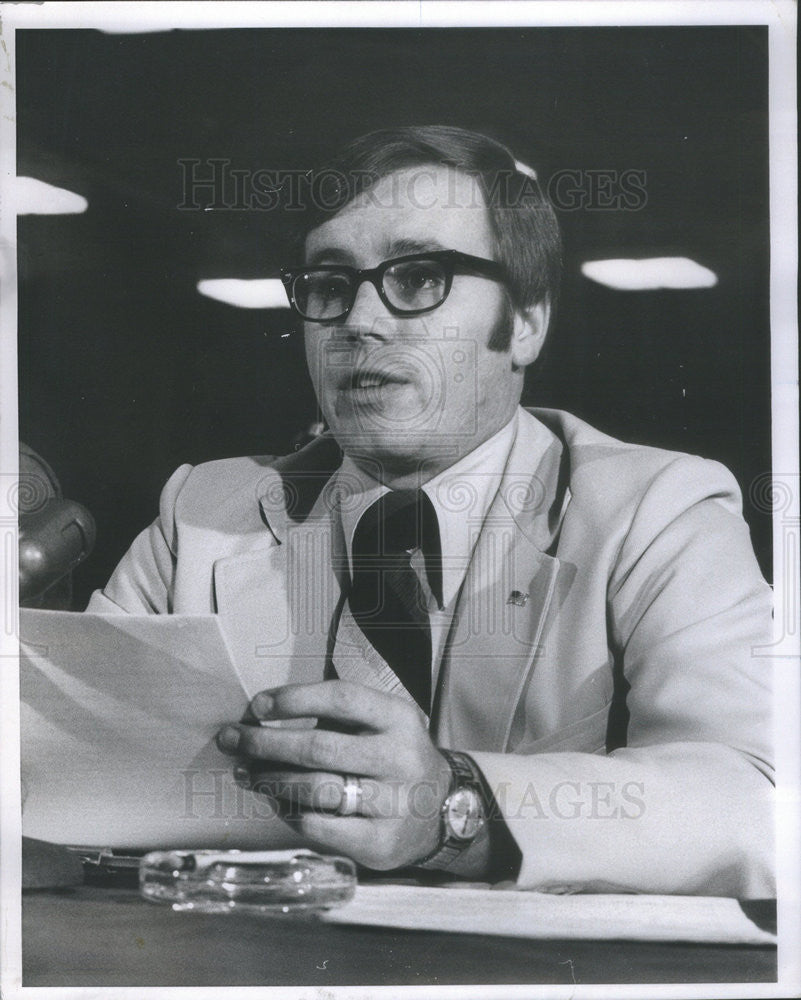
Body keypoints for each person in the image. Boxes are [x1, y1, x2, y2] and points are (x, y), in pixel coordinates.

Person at [87, 126, 774, 897]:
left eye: (417, 279)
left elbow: (755, 798)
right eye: (328, 283)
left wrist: (455, 806)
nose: (359, 321)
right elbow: (67, 764)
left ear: (525, 322)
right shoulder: (202, 518)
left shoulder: (655, 513)